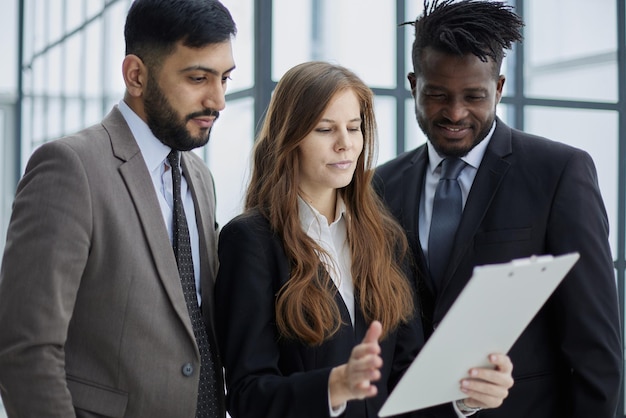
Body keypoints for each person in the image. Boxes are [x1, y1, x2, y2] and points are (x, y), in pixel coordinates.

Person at [214, 61, 513, 418]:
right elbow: (247, 395)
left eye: (354, 128)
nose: (345, 145)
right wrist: (335, 386)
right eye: (325, 130)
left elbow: (406, 379)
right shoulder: (250, 240)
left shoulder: (384, 237)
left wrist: (466, 398)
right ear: (289, 138)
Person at [374, 1, 622, 417]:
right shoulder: (382, 185)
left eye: (475, 96)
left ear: (500, 87)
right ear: (412, 84)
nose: (455, 113)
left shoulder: (558, 173)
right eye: (437, 95)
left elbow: (595, 347)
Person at [0, 0, 236, 416]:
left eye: (225, 79)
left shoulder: (199, 177)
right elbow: (26, 347)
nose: (217, 101)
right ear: (136, 75)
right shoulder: (71, 168)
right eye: (199, 77)